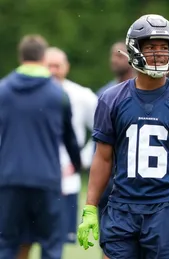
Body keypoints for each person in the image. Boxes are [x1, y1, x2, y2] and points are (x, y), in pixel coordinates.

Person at [76, 14, 169, 258]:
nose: (159, 53)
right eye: (151, 47)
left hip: (166, 207)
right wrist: (89, 207)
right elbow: (103, 158)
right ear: (134, 50)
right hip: (121, 206)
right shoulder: (111, 99)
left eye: (164, 47)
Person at [0, 34, 82, 259]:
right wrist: (76, 164)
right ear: (43, 57)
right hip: (46, 180)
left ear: (21, 56)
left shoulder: (3, 91)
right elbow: (70, 138)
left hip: (8, 179)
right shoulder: (58, 94)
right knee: (51, 245)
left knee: (7, 244)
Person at [16, 46, 98, 259]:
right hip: (29, 179)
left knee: (54, 243)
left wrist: (81, 160)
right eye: (48, 65)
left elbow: (104, 131)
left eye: (57, 66)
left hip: (65, 182)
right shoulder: (24, 94)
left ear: (67, 67)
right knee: (22, 241)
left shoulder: (81, 95)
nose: (53, 70)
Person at [95, 40, 136, 259]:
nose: (114, 59)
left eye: (119, 55)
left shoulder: (144, 91)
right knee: (110, 243)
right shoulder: (105, 93)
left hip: (133, 180)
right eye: (112, 55)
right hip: (108, 178)